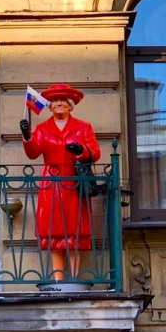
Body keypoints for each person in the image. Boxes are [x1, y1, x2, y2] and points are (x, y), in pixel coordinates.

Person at [19, 83, 100, 281]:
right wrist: (27, 136)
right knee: (54, 233)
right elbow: (33, 153)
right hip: (52, 184)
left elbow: (95, 152)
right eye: (55, 101)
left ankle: (74, 278)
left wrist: (81, 150)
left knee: (74, 232)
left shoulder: (83, 127)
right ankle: (58, 279)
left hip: (74, 182)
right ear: (49, 106)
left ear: (70, 105)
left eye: (63, 100)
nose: (59, 104)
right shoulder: (42, 128)